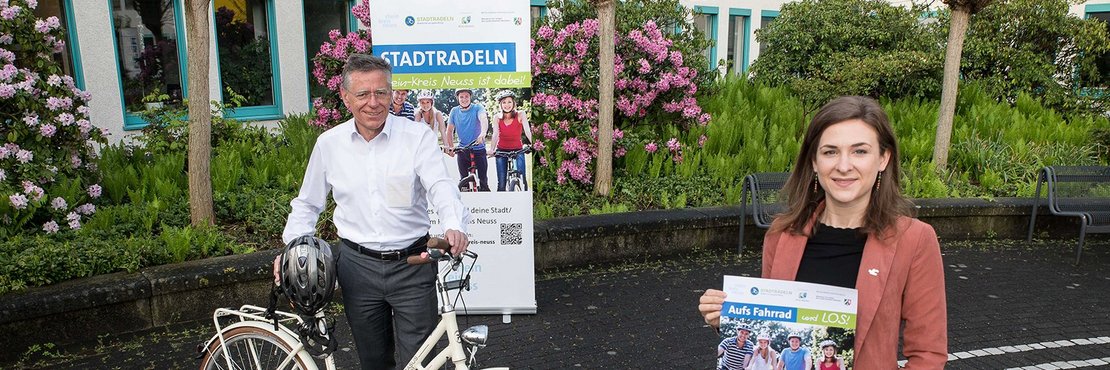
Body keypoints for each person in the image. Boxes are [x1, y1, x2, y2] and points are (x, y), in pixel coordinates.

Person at [698, 96, 948, 369]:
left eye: (860, 151)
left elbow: (928, 355)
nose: (843, 166)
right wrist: (728, 318)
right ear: (814, 162)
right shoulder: (781, 235)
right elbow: (771, 327)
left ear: (883, 159)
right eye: (830, 152)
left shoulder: (914, 239)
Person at [281, 53, 471, 370]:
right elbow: (308, 204)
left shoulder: (417, 137)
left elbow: (440, 185)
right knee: (373, 360)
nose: (374, 102)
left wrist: (453, 224)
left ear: (391, 93)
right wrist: (293, 248)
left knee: (421, 361)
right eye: (363, 94)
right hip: (357, 268)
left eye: (381, 92)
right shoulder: (329, 144)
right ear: (345, 98)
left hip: (413, 264)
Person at [445, 88, 490, 191]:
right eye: (461, 97)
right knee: (463, 182)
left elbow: (483, 119)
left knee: (483, 180)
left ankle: (485, 199)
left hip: (478, 148)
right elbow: (450, 130)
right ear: (458, 98)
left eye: (466, 96)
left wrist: (483, 133)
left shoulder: (478, 107)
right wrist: (451, 147)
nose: (464, 99)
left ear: (470, 97)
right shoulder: (454, 111)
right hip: (462, 149)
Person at [489, 89, 533, 191]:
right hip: (501, 150)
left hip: (518, 150)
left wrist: (532, 143)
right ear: (500, 105)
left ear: (513, 103)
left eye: (509, 102)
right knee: (501, 183)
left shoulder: (521, 114)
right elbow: (495, 134)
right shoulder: (497, 117)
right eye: (504, 102)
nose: (507, 105)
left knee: (522, 178)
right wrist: (492, 149)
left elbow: (527, 130)